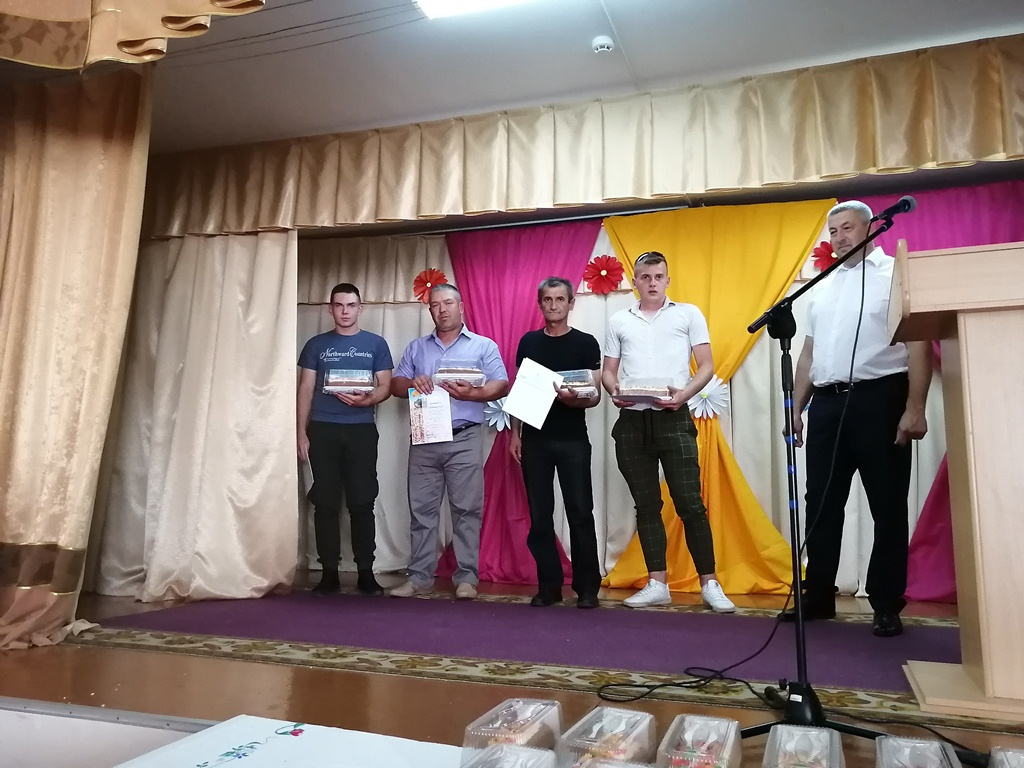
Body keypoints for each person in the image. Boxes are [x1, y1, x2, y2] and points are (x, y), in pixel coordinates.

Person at [784, 200, 931, 638]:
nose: (839, 238)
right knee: (821, 501)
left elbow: (919, 344)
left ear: (870, 228)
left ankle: (885, 603)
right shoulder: (823, 285)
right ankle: (818, 595)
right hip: (828, 403)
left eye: (847, 228)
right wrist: (796, 408)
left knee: (887, 504)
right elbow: (809, 354)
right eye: (833, 231)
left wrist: (915, 407)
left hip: (880, 398)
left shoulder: (895, 275)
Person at [602, 251, 735, 612]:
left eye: (658, 277)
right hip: (632, 421)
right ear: (635, 282)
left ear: (667, 280)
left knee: (690, 503)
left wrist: (684, 396)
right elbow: (609, 372)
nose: (652, 283)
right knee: (646, 505)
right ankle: (657, 583)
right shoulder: (619, 320)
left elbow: (706, 366)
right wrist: (614, 391)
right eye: (645, 277)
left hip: (674, 417)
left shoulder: (688, 314)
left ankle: (710, 583)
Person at [389, 284, 510, 600]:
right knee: (421, 511)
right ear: (430, 310)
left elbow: (501, 384)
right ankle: (419, 577)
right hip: (425, 436)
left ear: (461, 306)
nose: (442, 309)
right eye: (435, 305)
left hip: (464, 436)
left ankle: (467, 578)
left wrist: (475, 393)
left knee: (467, 510)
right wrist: (412, 382)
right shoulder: (417, 348)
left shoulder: (483, 346)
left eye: (447, 303)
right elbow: (395, 385)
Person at [509, 277, 603, 609]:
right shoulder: (529, 342)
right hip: (535, 440)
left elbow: (595, 396)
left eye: (560, 299)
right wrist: (515, 434)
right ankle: (548, 586)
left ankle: (587, 588)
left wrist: (573, 399)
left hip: (573, 439)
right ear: (540, 304)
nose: (553, 305)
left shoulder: (586, 343)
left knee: (580, 512)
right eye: (547, 299)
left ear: (571, 303)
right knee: (540, 515)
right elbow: (519, 390)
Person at [297, 282, 393, 596]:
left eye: (351, 305)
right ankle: (328, 573)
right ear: (330, 309)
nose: (345, 311)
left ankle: (366, 572)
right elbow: (305, 389)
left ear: (360, 308)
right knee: (324, 503)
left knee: (362, 501)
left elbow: (386, 386)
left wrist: (369, 399)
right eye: (339, 305)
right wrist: (300, 432)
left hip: (361, 430)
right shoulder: (316, 345)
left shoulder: (376, 344)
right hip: (322, 429)